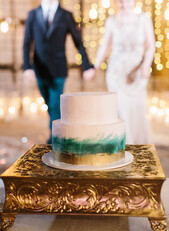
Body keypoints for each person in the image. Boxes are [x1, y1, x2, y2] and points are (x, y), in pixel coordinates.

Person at [23, 0, 95, 144]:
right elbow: (27, 42)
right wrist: (27, 67)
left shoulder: (66, 15)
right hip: (39, 69)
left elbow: (78, 42)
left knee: (55, 104)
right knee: (49, 104)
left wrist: (87, 66)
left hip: (58, 70)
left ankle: (54, 139)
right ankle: (58, 131)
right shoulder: (33, 14)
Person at [95, 0, 155, 144]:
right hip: (116, 73)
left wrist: (146, 65)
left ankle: (138, 144)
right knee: (120, 109)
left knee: (136, 109)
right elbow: (105, 46)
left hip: (137, 74)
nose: (124, 4)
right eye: (120, 1)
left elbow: (151, 45)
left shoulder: (144, 19)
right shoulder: (111, 21)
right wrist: (95, 66)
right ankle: (124, 143)